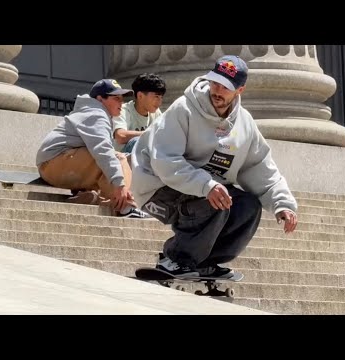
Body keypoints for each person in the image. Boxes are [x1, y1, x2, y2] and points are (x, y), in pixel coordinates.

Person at [130, 55, 298, 277]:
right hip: (156, 186)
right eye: (215, 82)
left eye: (226, 87)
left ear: (240, 90)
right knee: (216, 200)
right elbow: (165, 160)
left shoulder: (244, 124)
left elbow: (259, 167)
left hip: (203, 189)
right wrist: (206, 185)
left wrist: (282, 203)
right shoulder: (184, 109)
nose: (217, 91)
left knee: (247, 205)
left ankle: (206, 261)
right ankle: (176, 258)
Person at [35, 78, 149, 218]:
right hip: (54, 162)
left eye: (122, 99)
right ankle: (127, 206)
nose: (121, 102)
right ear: (100, 99)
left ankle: (91, 198)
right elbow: (103, 151)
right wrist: (120, 185)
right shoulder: (96, 114)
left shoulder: (96, 113)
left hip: (55, 164)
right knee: (117, 159)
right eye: (116, 98)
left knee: (125, 160)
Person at [112, 73, 166, 155]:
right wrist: (150, 133)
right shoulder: (123, 110)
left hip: (145, 158)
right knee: (138, 141)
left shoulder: (156, 112)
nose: (160, 102)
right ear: (140, 96)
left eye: (161, 97)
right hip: (123, 159)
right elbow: (120, 136)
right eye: (156, 97)